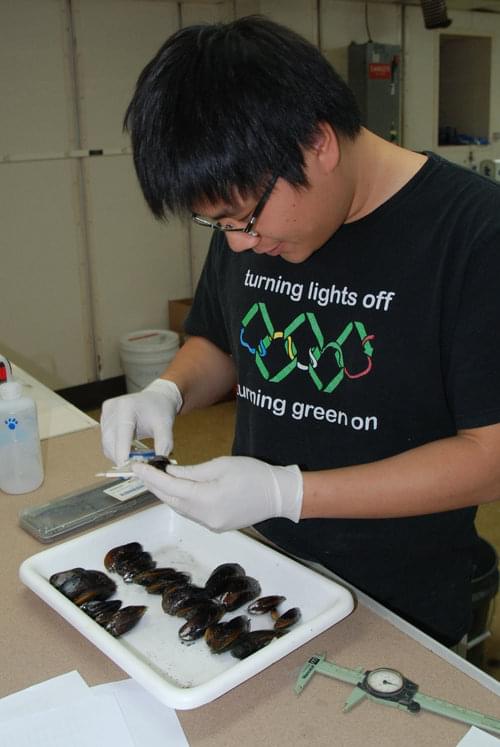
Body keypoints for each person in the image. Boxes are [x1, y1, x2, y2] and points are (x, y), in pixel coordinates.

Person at [101, 16, 500, 648]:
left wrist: (290, 491)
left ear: (317, 144)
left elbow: (491, 456)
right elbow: (221, 341)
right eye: (218, 227)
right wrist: (167, 393)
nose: (240, 244)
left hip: (398, 605)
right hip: (259, 568)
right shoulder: (251, 216)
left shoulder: (475, 234)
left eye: (244, 220)